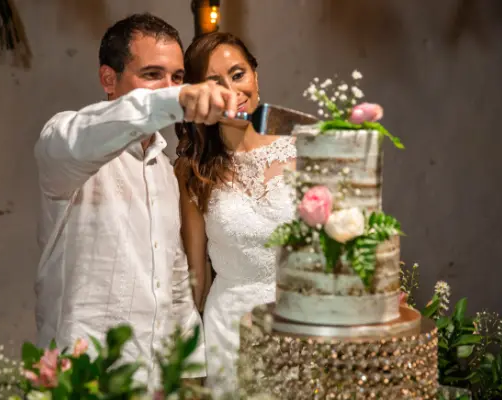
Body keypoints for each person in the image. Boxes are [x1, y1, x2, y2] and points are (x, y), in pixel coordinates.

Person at [32, 13, 238, 390]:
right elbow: (82, 133)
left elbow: (174, 279)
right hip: (87, 379)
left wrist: (187, 371)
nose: (168, 88)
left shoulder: (166, 171)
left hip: (156, 380)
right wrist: (173, 100)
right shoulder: (65, 143)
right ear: (108, 79)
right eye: (152, 74)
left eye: (177, 77)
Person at [174, 31, 384, 396]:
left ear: (255, 75)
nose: (231, 91)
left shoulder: (307, 149)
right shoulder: (193, 171)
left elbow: (345, 243)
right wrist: (187, 359)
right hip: (230, 330)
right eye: (215, 83)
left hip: (302, 322)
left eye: (238, 74)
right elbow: (196, 278)